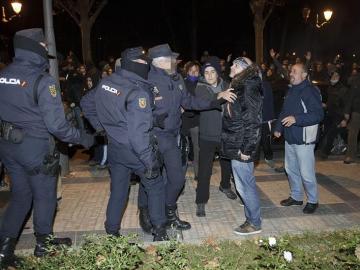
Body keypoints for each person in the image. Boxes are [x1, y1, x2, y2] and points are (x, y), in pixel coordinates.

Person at [0, 28, 93, 268]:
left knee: (20, 196)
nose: (46, 51)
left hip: (9, 147)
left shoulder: (3, 74)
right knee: (45, 197)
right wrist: (84, 138)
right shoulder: (43, 81)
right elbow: (58, 127)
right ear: (36, 48)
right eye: (44, 47)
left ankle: (3, 251)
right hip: (36, 149)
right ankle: (44, 245)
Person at [137, 44, 236, 233]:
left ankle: (169, 211)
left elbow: (189, 101)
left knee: (177, 179)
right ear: (161, 62)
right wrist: (151, 119)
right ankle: (145, 210)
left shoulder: (177, 79)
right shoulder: (147, 81)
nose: (176, 62)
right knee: (151, 176)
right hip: (154, 137)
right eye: (172, 59)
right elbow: (136, 110)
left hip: (173, 136)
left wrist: (216, 100)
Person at [81, 46, 169, 241]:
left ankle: (112, 232)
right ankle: (160, 232)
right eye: (142, 61)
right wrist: (149, 161)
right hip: (136, 150)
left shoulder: (107, 82)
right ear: (134, 63)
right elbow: (138, 135)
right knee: (155, 185)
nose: (146, 64)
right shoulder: (138, 92)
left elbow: (86, 103)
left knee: (118, 191)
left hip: (115, 148)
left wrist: (102, 128)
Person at [274, 63, 324, 214]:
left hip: (304, 140)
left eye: (295, 71)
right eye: (291, 71)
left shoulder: (309, 91)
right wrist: (278, 128)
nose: (291, 73)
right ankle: (296, 197)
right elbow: (284, 111)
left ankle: (313, 201)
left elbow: (318, 115)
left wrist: (296, 119)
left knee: (306, 172)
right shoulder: (291, 90)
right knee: (291, 169)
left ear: (304, 75)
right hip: (290, 138)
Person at [222, 57, 263, 235]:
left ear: (244, 69)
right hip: (236, 142)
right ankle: (252, 218)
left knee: (245, 185)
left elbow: (253, 120)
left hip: (242, 145)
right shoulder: (240, 84)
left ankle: (254, 222)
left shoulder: (248, 86)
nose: (231, 66)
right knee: (242, 184)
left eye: (235, 64)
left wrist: (247, 149)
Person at [195, 56, 237, 217]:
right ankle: (201, 201)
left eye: (213, 71)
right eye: (206, 72)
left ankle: (225, 186)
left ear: (218, 73)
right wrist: (221, 95)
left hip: (225, 133)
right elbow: (205, 101)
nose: (210, 75)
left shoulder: (227, 85)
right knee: (205, 169)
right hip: (207, 135)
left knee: (227, 165)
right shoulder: (200, 87)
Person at [319, 71, 348, 159]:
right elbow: (331, 101)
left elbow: (346, 104)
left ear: (339, 77)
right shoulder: (330, 87)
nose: (333, 77)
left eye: (335, 75)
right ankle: (322, 150)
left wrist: (344, 119)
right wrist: (326, 105)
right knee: (327, 132)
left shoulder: (343, 89)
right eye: (332, 75)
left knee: (332, 133)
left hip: (338, 115)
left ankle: (325, 153)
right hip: (330, 114)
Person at [344, 71, 360, 164]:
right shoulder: (357, 79)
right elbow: (351, 96)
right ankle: (350, 155)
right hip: (357, 110)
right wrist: (347, 110)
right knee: (353, 133)